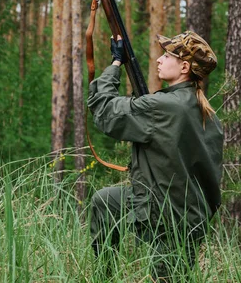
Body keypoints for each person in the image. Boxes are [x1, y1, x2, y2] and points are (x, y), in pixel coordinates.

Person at [87, 31, 223, 281]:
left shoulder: (164, 106)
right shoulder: (208, 115)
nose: (159, 59)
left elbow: (104, 111)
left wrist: (116, 63)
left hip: (168, 217)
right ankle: (103, 277)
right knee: (104, 202)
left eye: (167, 55)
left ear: (184, 66)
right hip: (189, 215)